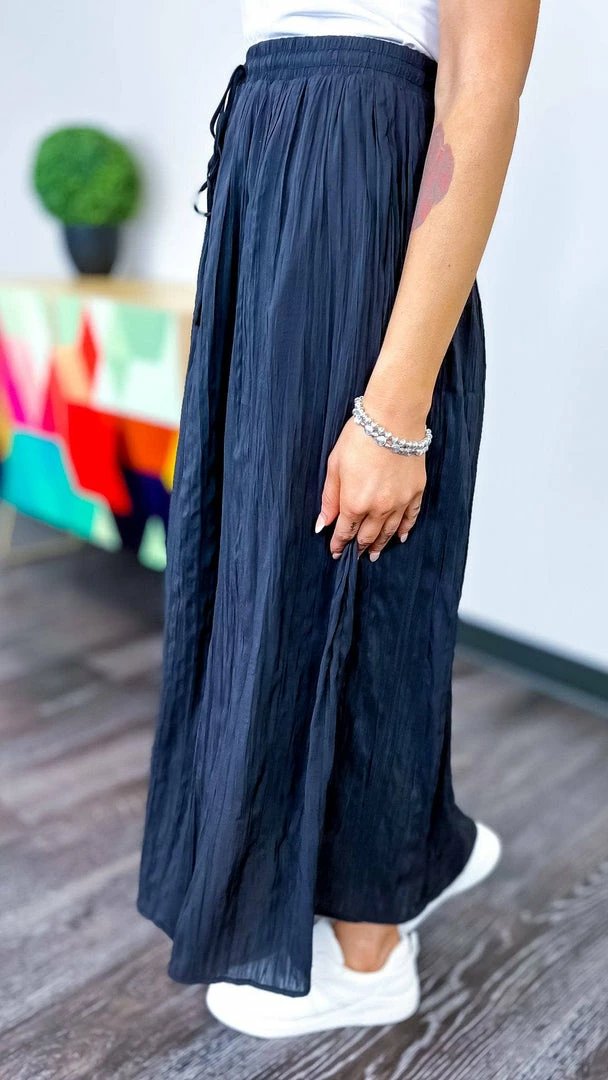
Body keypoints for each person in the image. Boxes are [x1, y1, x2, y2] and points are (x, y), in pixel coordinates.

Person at [137, 0, 540, 1038]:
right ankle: (419, 846)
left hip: (356, 191)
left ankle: (369, 951)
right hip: (277, 176)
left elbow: (481, 92)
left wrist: (395, 412)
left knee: (359, 567)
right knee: (267, 566)